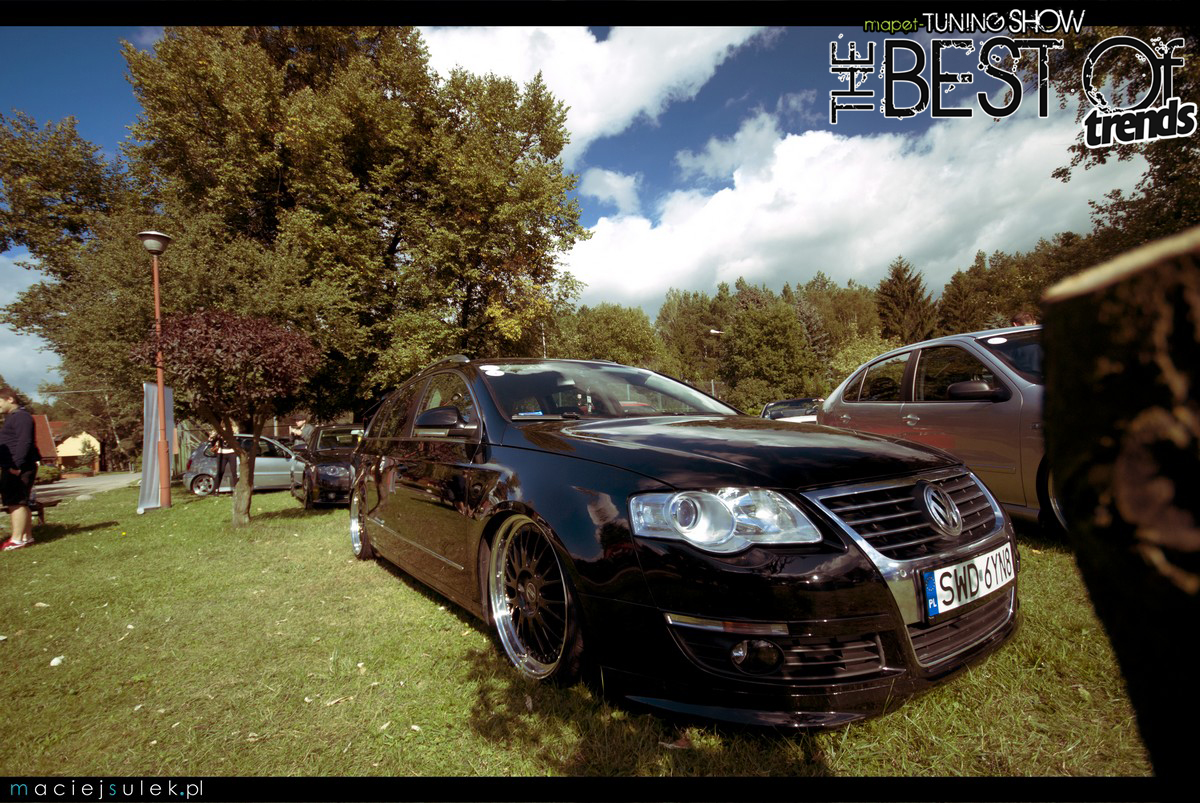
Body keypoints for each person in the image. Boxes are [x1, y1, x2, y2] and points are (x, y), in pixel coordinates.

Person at [0, 386, 38, 550]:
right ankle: (26, 537)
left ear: (10, 399)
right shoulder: (13, 417)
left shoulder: (21, 417)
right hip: (15, 466)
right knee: (21, 502)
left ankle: (16, 540)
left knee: (16, 502)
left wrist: (17, 464)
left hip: (18, 467)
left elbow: (25, 441)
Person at [208, 430, 238, 496]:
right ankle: (216, 490)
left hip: (231, 453)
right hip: (221, 453)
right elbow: (212, 444)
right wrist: (212, 438)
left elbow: (235, 442)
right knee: (220, 472)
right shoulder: (218, 435)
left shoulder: (231, 434)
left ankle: (236, 490)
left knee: (234, 472)